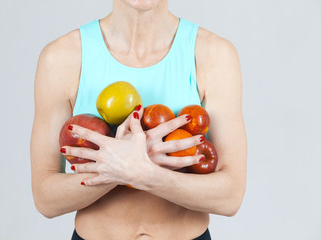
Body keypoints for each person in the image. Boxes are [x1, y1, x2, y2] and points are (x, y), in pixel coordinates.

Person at [30, 0, 247, 239]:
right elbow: (45, 198)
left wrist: (148, 175)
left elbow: (230, 197)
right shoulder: (62, 58)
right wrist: (119, 169)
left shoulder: (214, 54)